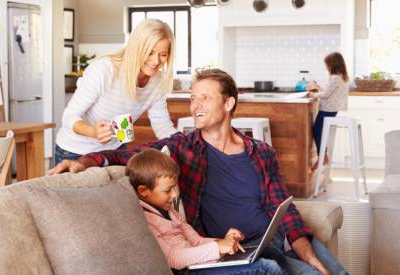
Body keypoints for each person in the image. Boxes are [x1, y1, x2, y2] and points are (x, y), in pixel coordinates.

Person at [50, 69, 348, 275]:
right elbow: (129, 153)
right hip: (237, 248)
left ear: (228, 103)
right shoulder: (184, 147)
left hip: (276, 238)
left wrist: (305, 250)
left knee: (332, 270)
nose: (195, 106)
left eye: (205, 97)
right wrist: (87, 160)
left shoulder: (261, 152)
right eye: (193, 98)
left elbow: (283, 207)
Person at [126, 148, 286, 274]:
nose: (175, 195)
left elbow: (196, 241)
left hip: (200, 264)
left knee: (268, 251)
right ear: (143, 191)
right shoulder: (145, 220)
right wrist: (217, 248)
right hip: (187, 271)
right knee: (267, 268)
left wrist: (223, 242)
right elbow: (173, 259)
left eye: (174, 188)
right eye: (168, 191)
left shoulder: (170, 212)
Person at [54, 19, 178, 165]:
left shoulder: (158, 81)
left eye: (163, 54)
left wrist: (185, 144)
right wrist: (94, 132)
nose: (156, 61)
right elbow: (69, 117)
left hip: (116, 150)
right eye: (149, 52)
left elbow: (162, 124)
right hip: (76, 152)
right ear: (137, 48)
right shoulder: (104, 70)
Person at [307, 52, 350, 169]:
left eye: (327, 64)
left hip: (328, 109)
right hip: (336, 109)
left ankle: (322, 156)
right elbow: (330, 91)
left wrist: (313, 94)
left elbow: (325, 95)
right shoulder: (342, 77)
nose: (326, 67)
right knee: (320, 131)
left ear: (332, 65)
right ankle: (323, 155)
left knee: (316, 131)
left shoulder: (334, 77)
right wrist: (319, 88)